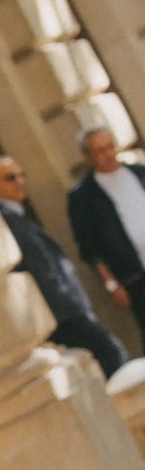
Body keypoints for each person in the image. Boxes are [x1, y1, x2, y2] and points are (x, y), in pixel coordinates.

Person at [0, 153, 129, 378]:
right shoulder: (2, 219)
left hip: (67, 311)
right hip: (62, 315)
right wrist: (74, 309)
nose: (20, 182)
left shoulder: (16, 215)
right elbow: (41, 273)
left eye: (22, 175)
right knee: (111, 353)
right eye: (10, 178)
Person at [67, 127, 145, 354]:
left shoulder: (140, 173)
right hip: (134, 277)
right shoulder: (82, 197)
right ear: (86, 157)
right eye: (100, 150)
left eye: (110, 147)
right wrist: (112, 285)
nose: (108, 154)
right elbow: (89, 249)